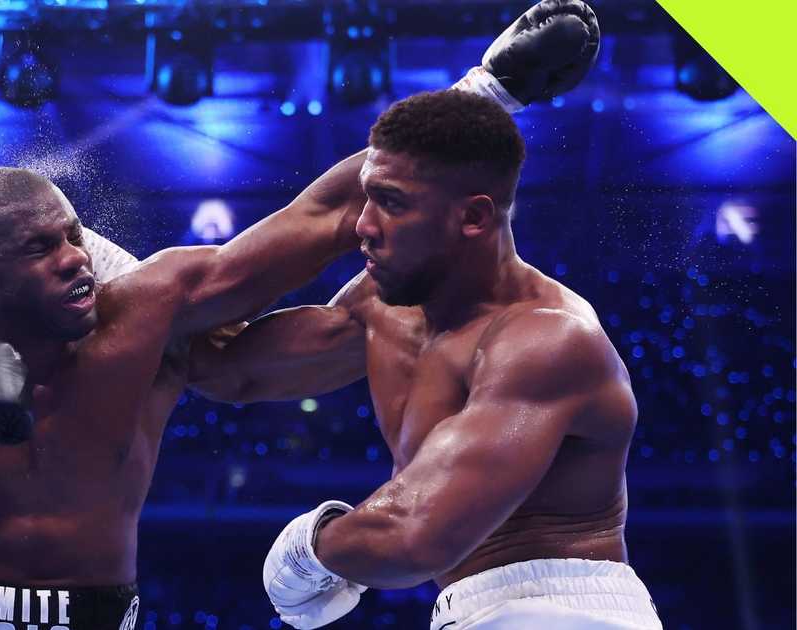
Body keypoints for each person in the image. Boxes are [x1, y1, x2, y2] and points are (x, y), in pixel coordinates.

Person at [0, 2, 599, 628]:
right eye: (44, 250)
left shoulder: (142, 319)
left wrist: (484, 94)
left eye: (76, 237)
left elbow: (315, 220)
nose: (75, 256)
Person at [191, 20, 662, 630]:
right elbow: (224, 368)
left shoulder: (547, 339)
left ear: (472, 218)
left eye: (390, 202)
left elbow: (412, 538)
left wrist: (316, 547)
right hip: (464, 606)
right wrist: (102, 278)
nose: (360, 225)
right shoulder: (380, 310)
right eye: (366, 198)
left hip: (563, 607)